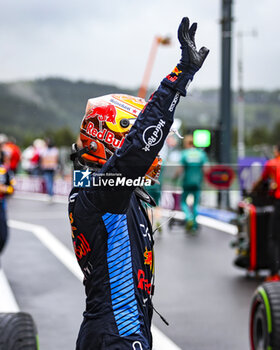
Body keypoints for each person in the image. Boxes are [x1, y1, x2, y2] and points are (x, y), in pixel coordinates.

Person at [68, 17, 209, 350]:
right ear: (111, 138)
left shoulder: (100, 190)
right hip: (118, 334)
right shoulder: (99, 193)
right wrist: (179, 77)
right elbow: (138, 148)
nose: (156, 157)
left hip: (117, 331)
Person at [253, 144, 280, 281]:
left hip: (278, 203)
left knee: (274, 238)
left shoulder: (273, 163)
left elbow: (262, 180)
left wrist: (254, 188)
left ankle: (274, 273)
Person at [174, 134, 208, 232]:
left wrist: (175, 178)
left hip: (187, 182)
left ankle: (189, 218)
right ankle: (194, 224)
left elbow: (180, 169)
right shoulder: (201, 154)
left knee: (183, 202)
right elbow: (206, 169)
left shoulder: (185, 154)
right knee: (196, 204)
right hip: (197, 182)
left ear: (186, 144)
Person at [0, 144, 15, 255]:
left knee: (3, 236)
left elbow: (12, 189)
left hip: (2, 204)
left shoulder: (6, 170)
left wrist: (5, 189)